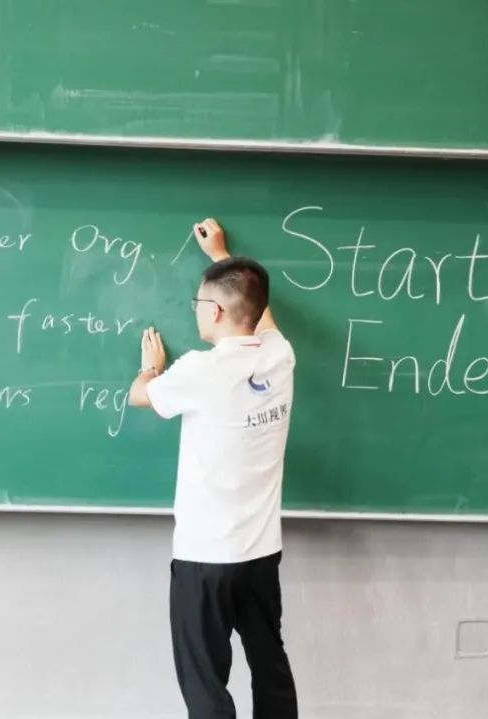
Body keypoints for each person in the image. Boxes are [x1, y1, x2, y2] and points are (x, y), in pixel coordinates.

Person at [129, 218, 299, 719]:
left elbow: (140, 396)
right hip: (260, 553)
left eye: (200, 302)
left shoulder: (200, 370)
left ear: (217, 311)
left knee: (205, 681)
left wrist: (150, 367)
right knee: (270, 664)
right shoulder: (280, 356)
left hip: (205, 557)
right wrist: (221, 256)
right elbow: (261, 317)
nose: (197, 309)